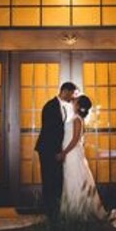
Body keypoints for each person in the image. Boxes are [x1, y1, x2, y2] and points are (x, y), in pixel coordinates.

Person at [58, 94, 116, 224]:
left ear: (79, 105)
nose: (73, 100)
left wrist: (64, 152)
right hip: (70, 154)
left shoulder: (77, 119)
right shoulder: (74, 118)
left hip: (72, 154)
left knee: (75, 179)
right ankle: (72, 211)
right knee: (71, 179)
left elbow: (75, 139)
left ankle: (78, 211)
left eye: (76, 100)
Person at [34, 80, 77, 219]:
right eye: (71, 94)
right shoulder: (50, 106)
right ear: (64, 91)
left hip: (56, 149)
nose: (72, 97)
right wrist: (58, 152)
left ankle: (56, 211)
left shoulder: (64, 106)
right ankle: (50, 213)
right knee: (49, 180)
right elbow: (51, 131)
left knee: (56, 180)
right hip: (48, 149)